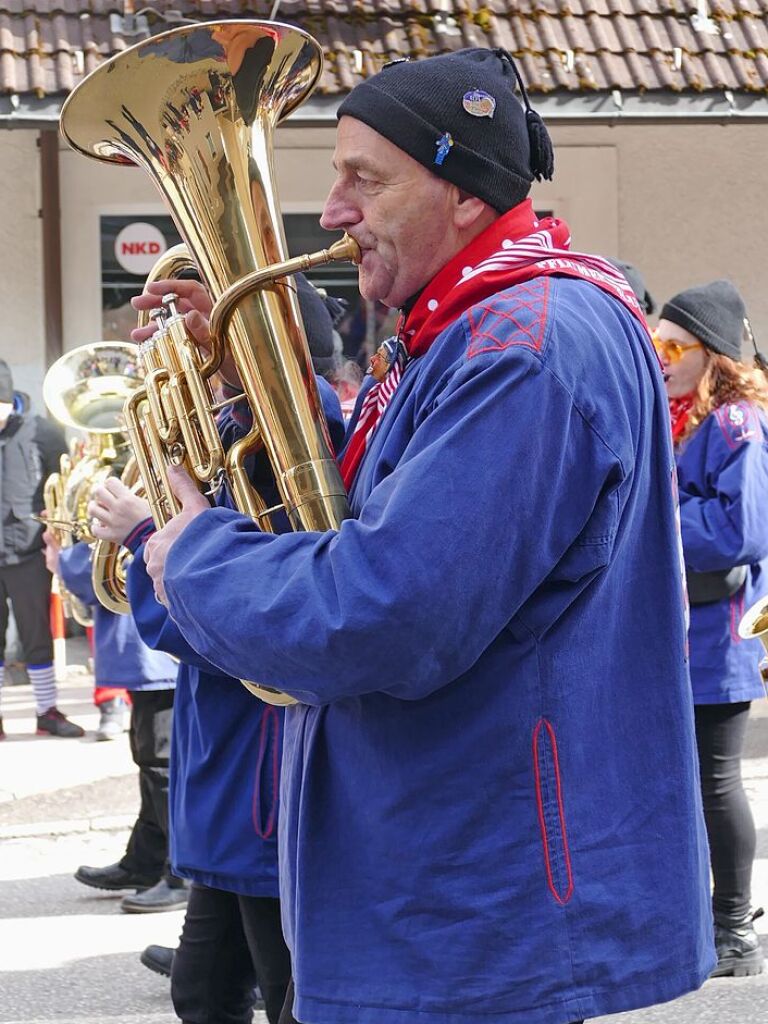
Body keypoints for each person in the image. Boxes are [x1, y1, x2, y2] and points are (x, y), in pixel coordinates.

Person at [121, 47, 717, 1024]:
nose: (333, 211)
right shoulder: (475, 329)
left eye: (366, 176)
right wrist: (244, 394)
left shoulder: (525, 348)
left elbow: (388, 609)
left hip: (476, 909)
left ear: (464, 194)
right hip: (442, 886)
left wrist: (193, 556)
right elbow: (376, 509)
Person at [89, 275, 346, 1024]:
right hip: (228, 762)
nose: (199, 349)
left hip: (259, 761)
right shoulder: (234, 426)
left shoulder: (292, 431)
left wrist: (146, 536)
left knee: (283, 995)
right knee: (202, 992)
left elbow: (215, 610)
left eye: (219, 334)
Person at [654, 279, 767, 978]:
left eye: (673, 344)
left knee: (717, 782)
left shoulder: (737, 425)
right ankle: (706, 920)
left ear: (713, 355)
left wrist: (660, 522)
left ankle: (735, 929)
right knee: (691, 780)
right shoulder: (689, 419)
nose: (660, 355)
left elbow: (742, 530)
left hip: (720, 639)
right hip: (685, 635)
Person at [42, 531, 187, 912]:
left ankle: (181, 873)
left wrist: (63, 561)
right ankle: (147, 859)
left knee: (162, 764)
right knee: (150, 760)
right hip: (145, 650)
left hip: (154, 648)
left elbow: (105, 573)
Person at [0, 361, 83, 739]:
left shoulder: (41, 431)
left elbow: (64, 482)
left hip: (29, 549)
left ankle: (46, 710)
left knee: (37, 634)